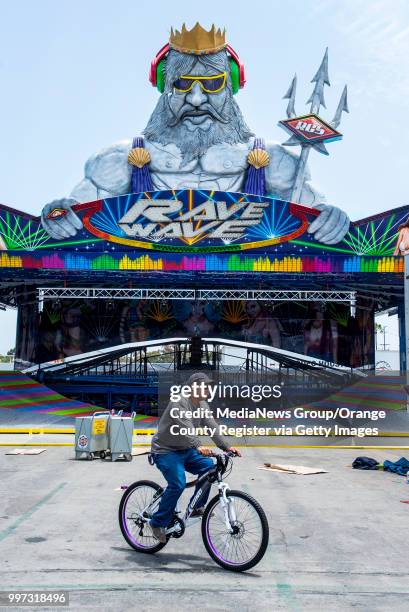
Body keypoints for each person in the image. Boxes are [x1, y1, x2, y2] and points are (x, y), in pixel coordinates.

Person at [40, 23, 349, 247]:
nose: (197, 99)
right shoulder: (121, 158)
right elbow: (72, 212)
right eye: (183, 85)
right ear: (165, 87)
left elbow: (317, 213)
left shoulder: (271, 160)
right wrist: (56, 214)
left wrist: (331, 218)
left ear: (231, 88)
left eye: (212, 84)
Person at [149, 372, 241, 543]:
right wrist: (199, 445)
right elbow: (186, 429)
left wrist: (227, 447)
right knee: (177, 483)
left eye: (208, 386)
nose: (207, 389)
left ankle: (197, 507)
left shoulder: (202, 404)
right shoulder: (179, 402)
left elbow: (212, 426)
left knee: (209, 468)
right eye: (204, 386)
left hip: (185, 449)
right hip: (165, 450)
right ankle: (157, 522)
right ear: (193, 387)